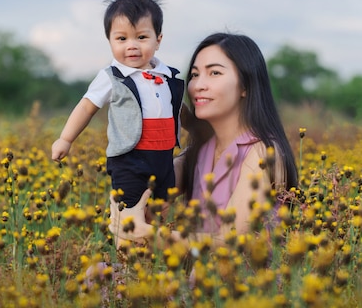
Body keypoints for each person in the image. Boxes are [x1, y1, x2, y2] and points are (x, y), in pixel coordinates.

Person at [109, 32, 298, 248]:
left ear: (245, 85)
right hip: (194, 275)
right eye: (195, 75)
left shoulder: (263, 152)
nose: (198, 85)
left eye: (215, 73)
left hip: (245, 279)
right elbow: (144, 188)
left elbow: (231, 240)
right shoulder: (198, 151)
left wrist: (150, 235)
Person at [51, 0, 185, 208]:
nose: (131, 46)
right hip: (129, 159)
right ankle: (125, 241)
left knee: (161, 207)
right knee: (128, 207)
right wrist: (66, 139)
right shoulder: (112, 76)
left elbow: (180, 111)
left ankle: (152, 241)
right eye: (122, 39)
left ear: (158, 40)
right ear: (110, 41)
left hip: (163, 156)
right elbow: (86, 106)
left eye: (141, 37)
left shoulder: (167, 75)